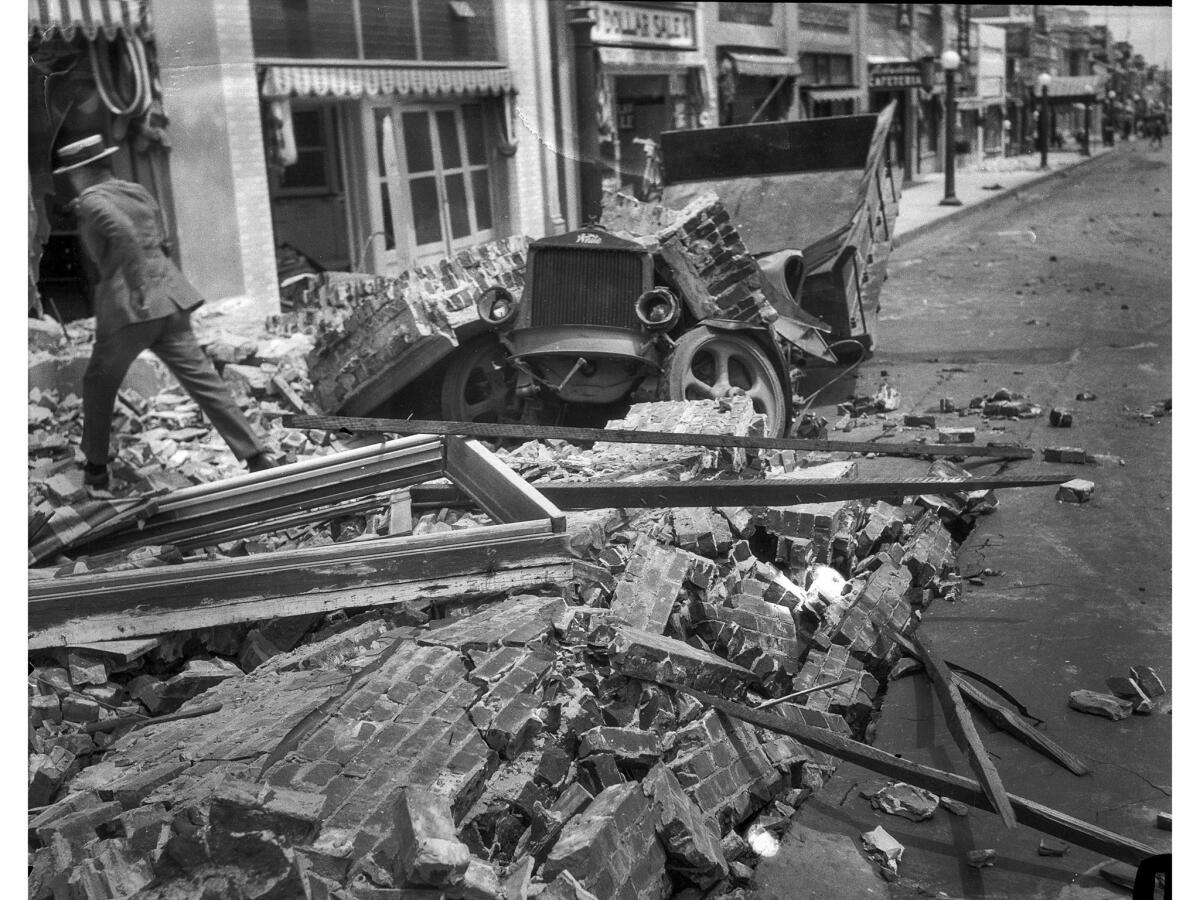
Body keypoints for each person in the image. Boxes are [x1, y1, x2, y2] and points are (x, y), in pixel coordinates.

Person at [53, 135, 276, 489]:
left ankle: (96, 469)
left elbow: (121, 234)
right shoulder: (135, 191)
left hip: (131, 307)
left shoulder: (93, 201)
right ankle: (255, 455)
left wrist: (138, 285)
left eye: (71, 175)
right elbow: (161, 230)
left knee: (98, 383)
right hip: (171, 299)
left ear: (81, 173)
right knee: (202, 379)